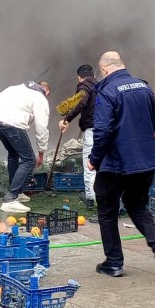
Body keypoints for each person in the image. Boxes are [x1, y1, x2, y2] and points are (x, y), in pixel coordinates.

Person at [88, 51, 155, 279]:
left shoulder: (107, 91)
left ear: (104, 69)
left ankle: (114, 263)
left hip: (115, 162)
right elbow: (153, 121)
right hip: (144, 160)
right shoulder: (145, 87)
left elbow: (103, 130)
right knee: (137, 205)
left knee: (107, 210)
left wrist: (94, 159)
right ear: (122, 65)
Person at [0, 80, 52, 213]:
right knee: (29, 160)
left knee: (13, 155)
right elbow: (41, 127)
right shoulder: (40, 97)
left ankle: (17, 193)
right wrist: (41, 152)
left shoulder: (14, 88)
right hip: (13, 125)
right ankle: (10, 199)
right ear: (46, 92)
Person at [59, 64, 99, 204]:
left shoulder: (84, 86)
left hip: (93, 130)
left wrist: (67, 119)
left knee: (90, 164)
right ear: (94, 75)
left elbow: (80, 102)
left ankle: (90, 197)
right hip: (107, 130)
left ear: (79, 77)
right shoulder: (102, 86)